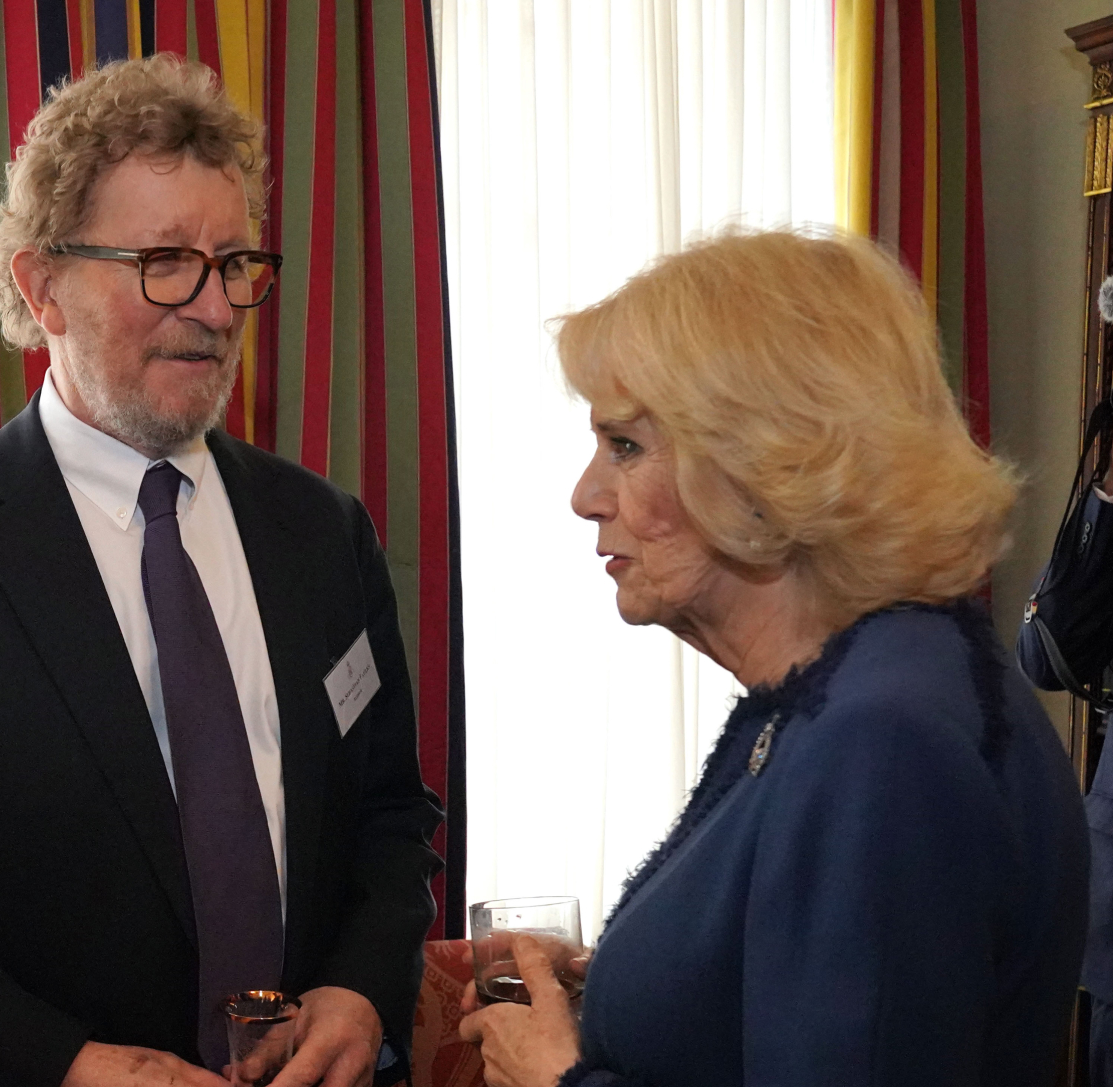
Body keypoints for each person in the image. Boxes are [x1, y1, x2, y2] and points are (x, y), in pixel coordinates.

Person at [0, 55, 441, 1087]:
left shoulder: (319, 531)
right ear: (44, 287)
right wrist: (62, 1066)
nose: (213, 308)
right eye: (165, 261)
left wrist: (359, 987)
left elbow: (391, 818)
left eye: (233, 263)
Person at [457, 228, 1089, 1087]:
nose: (585, 495)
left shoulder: (879, 739)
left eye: (627, 446)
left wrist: (556, 1078)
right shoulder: (856, 688)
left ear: (762, 465)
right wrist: (620, 983)